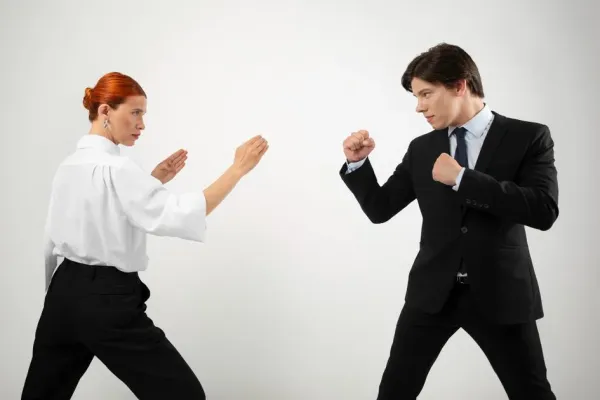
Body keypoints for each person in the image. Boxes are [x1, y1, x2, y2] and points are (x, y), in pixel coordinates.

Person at [21, 71, 269, 400]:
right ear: (105, 111)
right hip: (107, 299)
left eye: (143, 114)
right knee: (183, 395)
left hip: (62, 295)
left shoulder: (70, 164)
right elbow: (178, 214)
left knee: (42, 395)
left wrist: (152, 181)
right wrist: (237, 169)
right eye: (135, 112)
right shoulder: (119, 170)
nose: (142, 124)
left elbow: (85, 223)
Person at [340, 43, 559, 399]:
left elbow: (543, 210)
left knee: (531, 392)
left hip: (501, 293)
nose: (419, 106)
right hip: (431, 294)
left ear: (459, 85)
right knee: (394, 391)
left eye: (426, 94)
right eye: (416, 96)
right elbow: (380, 209)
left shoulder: (529, 137)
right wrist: (357, 165)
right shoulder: (422, 148)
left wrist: (462, 179)